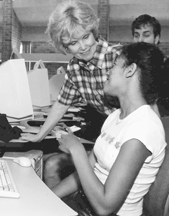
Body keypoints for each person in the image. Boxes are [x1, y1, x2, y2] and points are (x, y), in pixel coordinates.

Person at [55, 42, 167, 216]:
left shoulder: (144, 128)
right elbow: (86, 172)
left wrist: (76, 149)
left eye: (114, 65)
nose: (108, 71)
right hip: (84, 202)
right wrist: (48, 196)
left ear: (130, 70)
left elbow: (106, 207)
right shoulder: (115, 116)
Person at [20, 0, 122, 189]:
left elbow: (147, 105)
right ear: (65, 48)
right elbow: (62, 103)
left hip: (126, 139)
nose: (83, 46)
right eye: (73, 43)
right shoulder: (75, 67)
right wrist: (39, 136)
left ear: (94, 31)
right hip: (106, 135)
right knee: (49, 164)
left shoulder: (119, 57)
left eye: (86, 37)